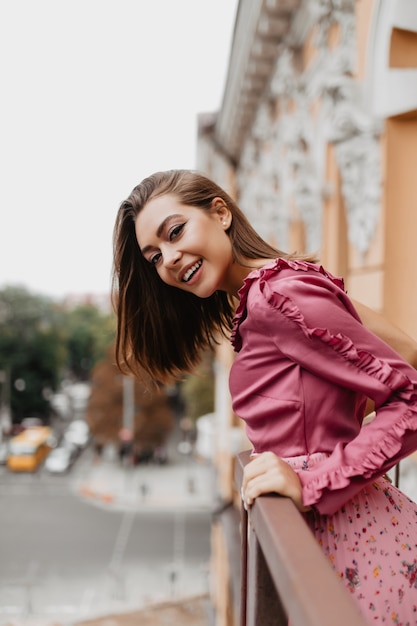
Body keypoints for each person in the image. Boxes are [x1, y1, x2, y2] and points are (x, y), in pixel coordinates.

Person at [112, 169, 417, 623]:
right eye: (154, 256)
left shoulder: (277, 296)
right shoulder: (278, 286)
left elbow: (409, 396)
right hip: (343, 538)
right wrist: (328, 417)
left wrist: (314, 477)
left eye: (175, 232)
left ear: (220, 212)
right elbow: (404, 351)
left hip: (356, 547)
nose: (169, 259)